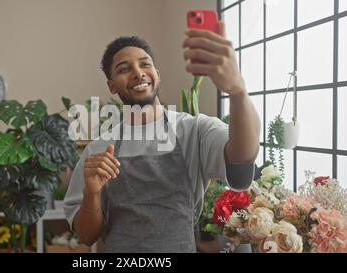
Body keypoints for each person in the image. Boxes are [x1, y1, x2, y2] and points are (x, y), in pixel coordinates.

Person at [63, 21, 260, 253]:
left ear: (157, 74)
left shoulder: (194, 130)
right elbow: (87, 236)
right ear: (111, 85)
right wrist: (92, 193)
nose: (138, 73)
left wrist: (237, 91)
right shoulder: (97, 150)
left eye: (145, 64)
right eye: (124, 69)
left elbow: (243, 155)